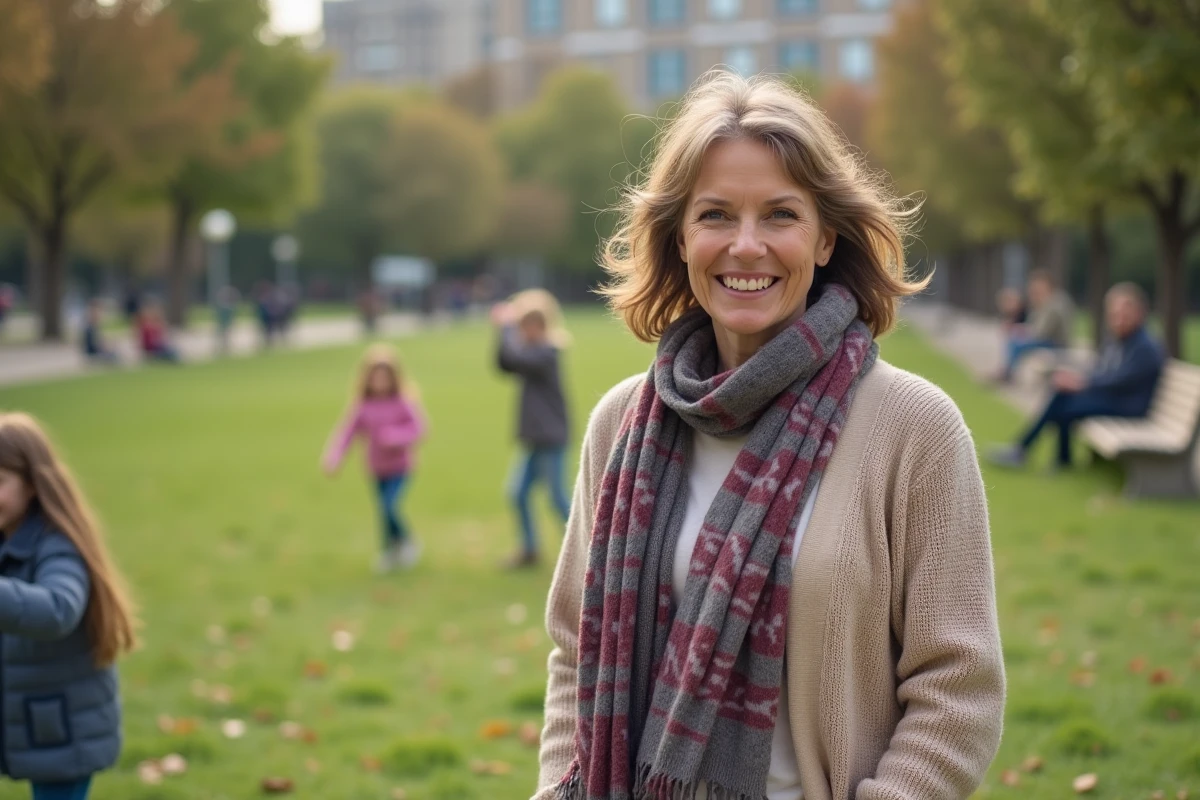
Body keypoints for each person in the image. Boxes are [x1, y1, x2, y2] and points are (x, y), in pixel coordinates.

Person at [534, 73, 1004, 800]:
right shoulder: (620, 425)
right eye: (716, 215)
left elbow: (958, 687)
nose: (746, 246)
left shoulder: (916, 428)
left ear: (825, 238)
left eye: (780, 215)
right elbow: (576, 653)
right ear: (681, 238)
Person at [0, 412, 139, 799]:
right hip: (23, 719)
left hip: (59, 729)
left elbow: (57, 610)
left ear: (32, 483)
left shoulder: (58, 544)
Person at [989, 282, 1164, 470]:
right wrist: (1076, 379)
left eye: (1124, 315)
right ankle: (1049, 456)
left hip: (1128, 407)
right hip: (1114, 399)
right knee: (1063, 394)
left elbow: (1120, 380)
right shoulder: (1119, 340)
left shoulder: (1144, 347)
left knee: (1065, 405)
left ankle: (1029, 451)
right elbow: (1102, 370)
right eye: (1115, 315)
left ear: (1139, 313)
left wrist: (1082, 383)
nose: (1119, 320)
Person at [323, 344, 427, 573]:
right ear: (367, 379)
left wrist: (395, 437)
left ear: (394, 378)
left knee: (390, 506)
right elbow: (346, 433)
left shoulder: (402, 402)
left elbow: (420, 429)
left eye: (385, 377)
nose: (380, 382)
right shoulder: (363, 406)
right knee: (382, 510)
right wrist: (334, 457)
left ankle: (408, 541)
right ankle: (389, 551)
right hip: (376, 467)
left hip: (400, 466)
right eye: (375, 377)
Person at [493, 289, 572, 569]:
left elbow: (514, 359)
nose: (522, 331)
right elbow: (504, 364)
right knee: (517, 493)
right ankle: (529, 549)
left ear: (540, 325)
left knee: (557, 498)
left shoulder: (547, 353)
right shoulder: (532, 351)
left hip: (550, 437)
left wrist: (505, 327)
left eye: (525, 326)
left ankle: (586, 552)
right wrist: (502, 331)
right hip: (535, 437)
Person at [995, 270, 1075, 383]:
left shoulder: (1053, 303)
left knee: (1016, 342)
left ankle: (1008, 373)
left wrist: (1018, 329)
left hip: (1056, 343)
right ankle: (1007, 371)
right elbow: (1034, 325)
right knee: (1014, 339)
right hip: (1050, 340)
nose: (1034, 291)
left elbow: (1040, 332)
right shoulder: (1049, 300)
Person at [81, 300, 119, 365]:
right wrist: (105, 348)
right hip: (92, 354)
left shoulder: (93, 327)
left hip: (95, 352)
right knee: (113, 355)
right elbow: (93, 345)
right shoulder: (89, 328)